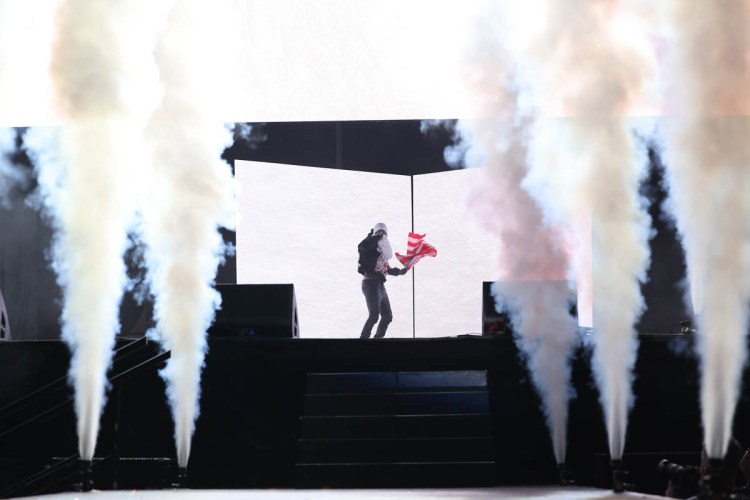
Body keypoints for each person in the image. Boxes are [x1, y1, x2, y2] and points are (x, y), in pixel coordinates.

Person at [358, 223, 408, 339]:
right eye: (379, 232)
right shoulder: (370, 248)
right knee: (374, 315)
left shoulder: (382, 253)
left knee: (387, 316)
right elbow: (362, 247)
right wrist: (371, 238)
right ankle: (363, 339)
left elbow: (386, 268)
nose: (381, 234)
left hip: (379, 285)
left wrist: (400, 272)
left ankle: (378, 338)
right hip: (371, 283)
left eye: (383, 232)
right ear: (375, 233)